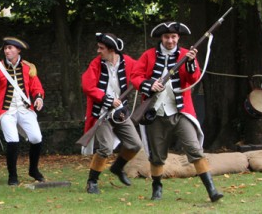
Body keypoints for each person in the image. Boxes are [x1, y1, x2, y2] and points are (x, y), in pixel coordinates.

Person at [130, 22, 223, 202]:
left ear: (178, 37)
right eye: (166, 37)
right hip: (155, 113)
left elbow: (193, 78)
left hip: (181, 111)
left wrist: (189, 63)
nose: (170, 40)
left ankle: (211, 190)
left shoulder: (185, 55)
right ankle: (157, 188)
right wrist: (149, 84)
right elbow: (135, 76)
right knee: (157, 156)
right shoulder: (148, 55)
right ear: (161, 38)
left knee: (194, 149)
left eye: (173, 37)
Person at [81, 32, 142, 194]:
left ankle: (117, 167)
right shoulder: (95, 64)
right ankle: (92, 181)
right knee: (106, 149)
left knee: (135, 145)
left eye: (101, 48)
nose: (98, 51)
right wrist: (107, 100)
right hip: (101, 113)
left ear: (111, 50)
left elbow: (141, 73)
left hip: (120, 112)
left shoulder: (128, 62)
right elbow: (87, 87)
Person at [0, 37, 46, 186]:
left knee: (36, 138)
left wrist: (38, 98)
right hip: (6, 111)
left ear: (18, 50)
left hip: (25, 109)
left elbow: (37, 87)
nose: (7, 51)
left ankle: (33, 170)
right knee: (12, 140)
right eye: (5, 48)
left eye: (10, 48)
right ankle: (12, 176)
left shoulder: (28, 68)